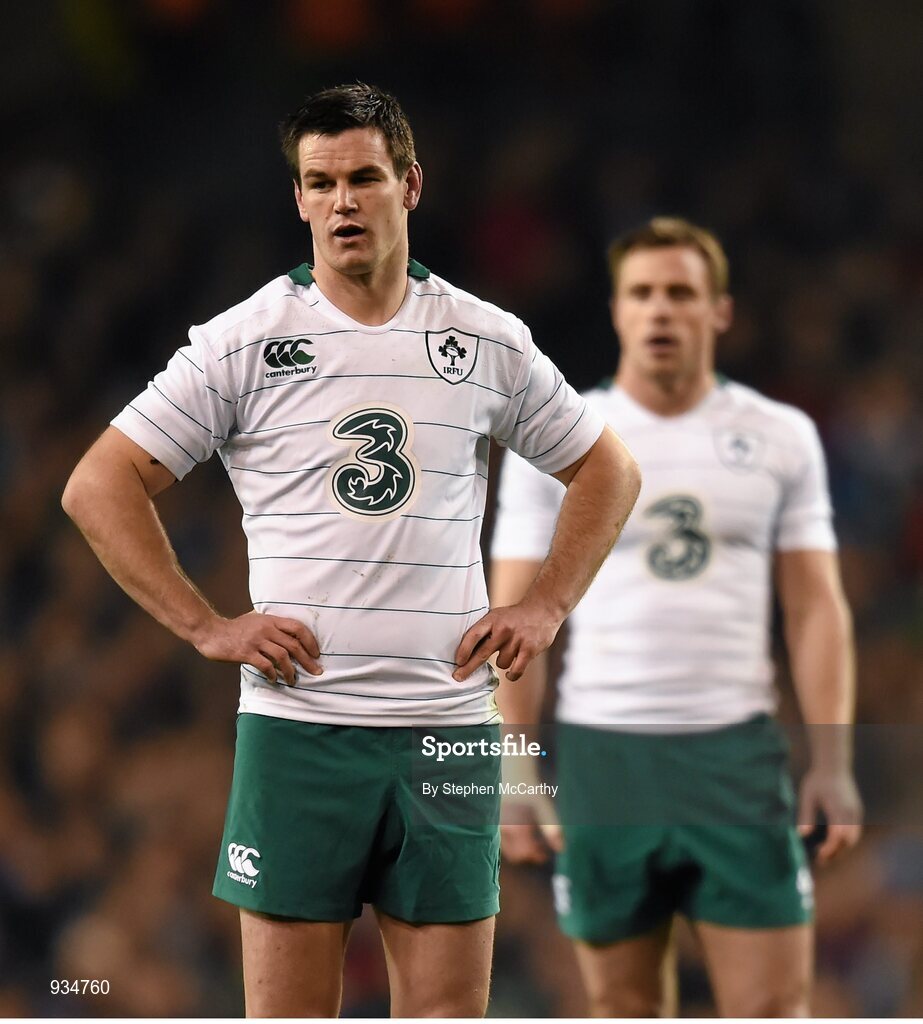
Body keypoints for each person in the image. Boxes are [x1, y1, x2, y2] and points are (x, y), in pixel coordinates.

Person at [61, 84, 641, 1018]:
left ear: (409, 185)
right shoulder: (243, 342)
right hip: (302, 732)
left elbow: (607, 470)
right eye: (321, 182)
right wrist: (205, 626)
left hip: (447, 729)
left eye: (364, 177)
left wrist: (545, 605)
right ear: (298, 198)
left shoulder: (484, 338)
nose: (343, 201)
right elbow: (98, 484)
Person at [490, 217, 863, 1017]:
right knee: (622, 1011)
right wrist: (515, 771)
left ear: (719, 311)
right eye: (642, 293)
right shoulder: (553, 443)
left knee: (772, 1009)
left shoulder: (779, 437)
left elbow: (814, 609)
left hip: (733, 758)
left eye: (680, 293)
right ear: (617, 310)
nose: (660, 309)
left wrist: (830, 760)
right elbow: (511, 620)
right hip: (604, 758)